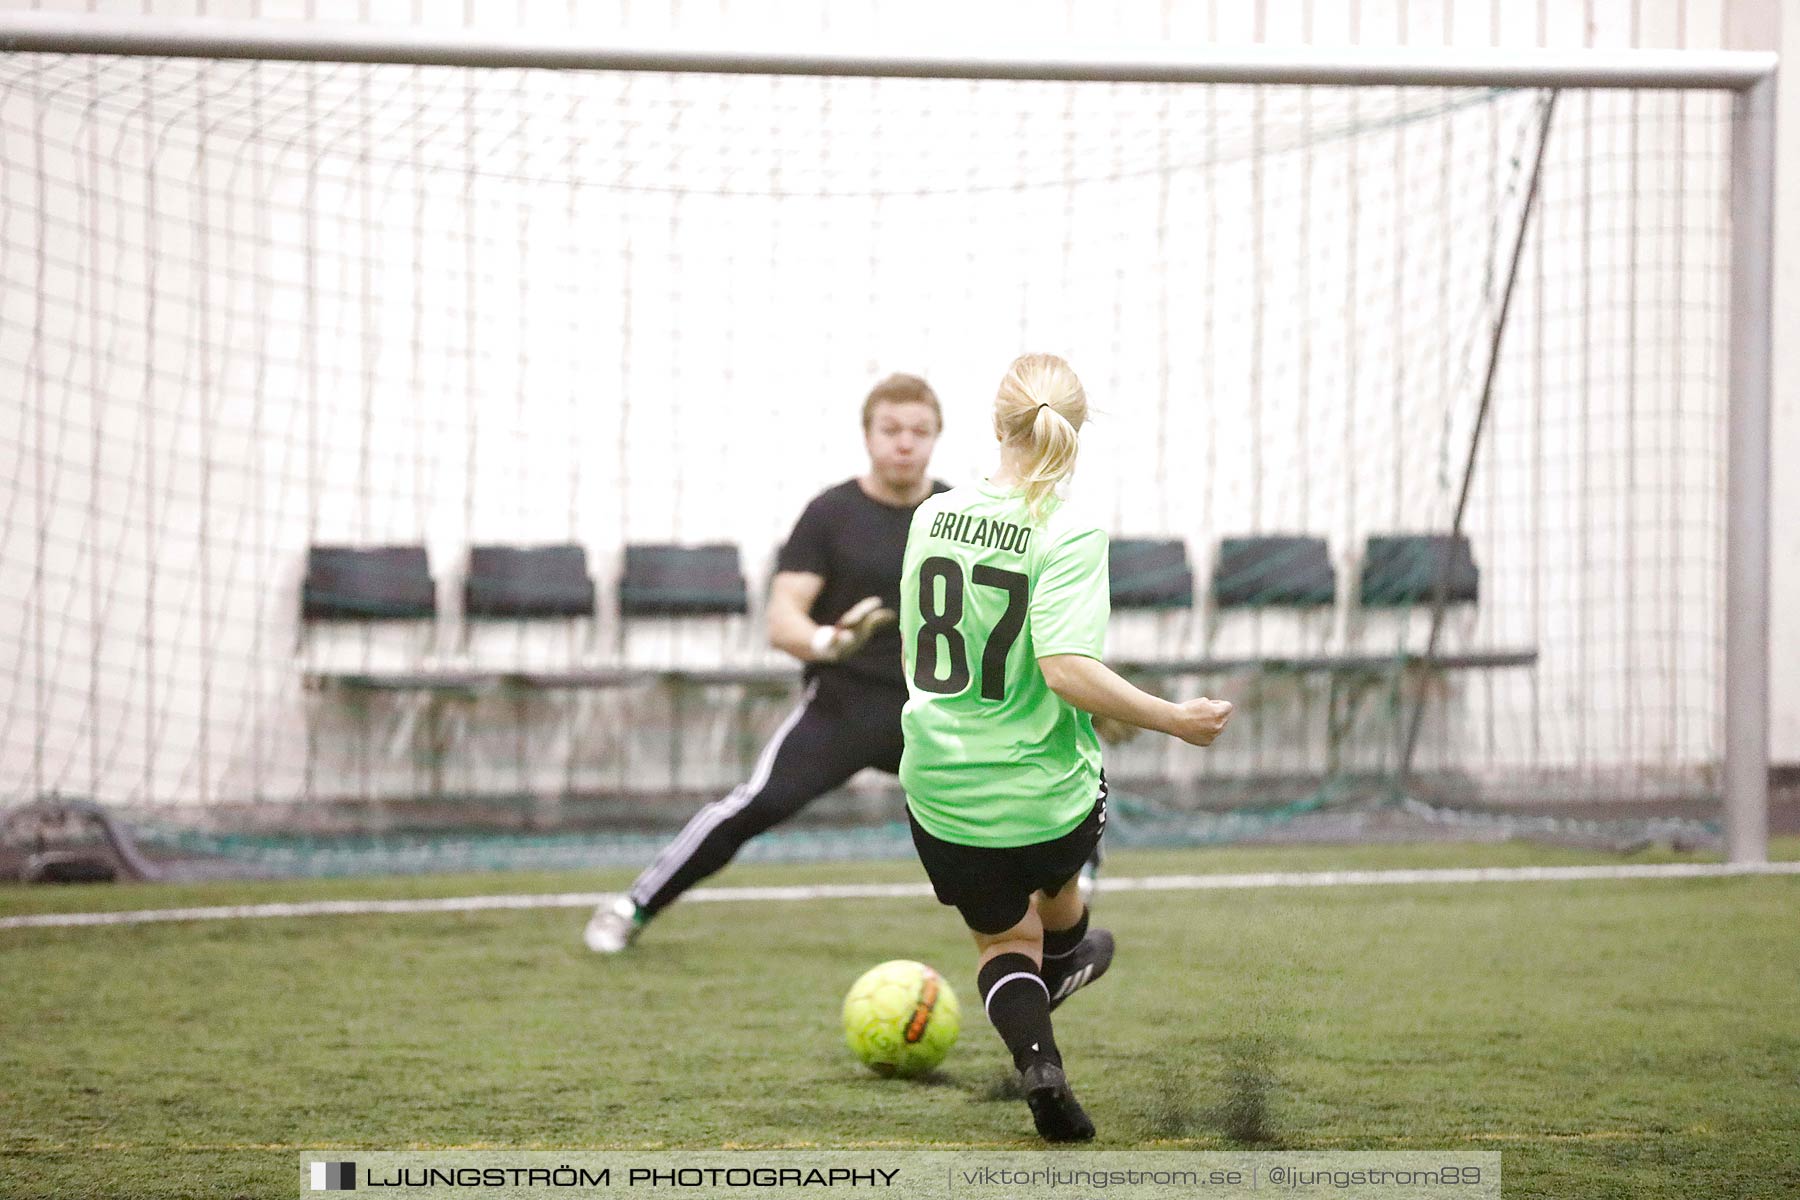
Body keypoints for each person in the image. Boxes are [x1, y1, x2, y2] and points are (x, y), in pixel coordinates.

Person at [897, 354, 1233, 1141]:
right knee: (1054, 900)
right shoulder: (1070, 529)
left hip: (942, 786)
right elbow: (1066, 670)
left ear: (994, 422)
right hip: (1044, 792)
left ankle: (1040, 1060)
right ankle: (1066, 957)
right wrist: (1175, 718)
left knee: (1002, 943)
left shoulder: (930, 516)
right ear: (1075, 430)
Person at [585, 374, 951, 953]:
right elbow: (783, 619)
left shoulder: (958, 514)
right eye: (891, 430)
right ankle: (633, 906)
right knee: (757, 805)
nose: (904, 443)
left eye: (919, 431)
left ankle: (1065, 906)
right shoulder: (831, 514)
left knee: (1016, 793)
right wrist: (830, 641)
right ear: (867, 436)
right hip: (844, 706)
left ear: (936, 437)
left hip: (934, 712)